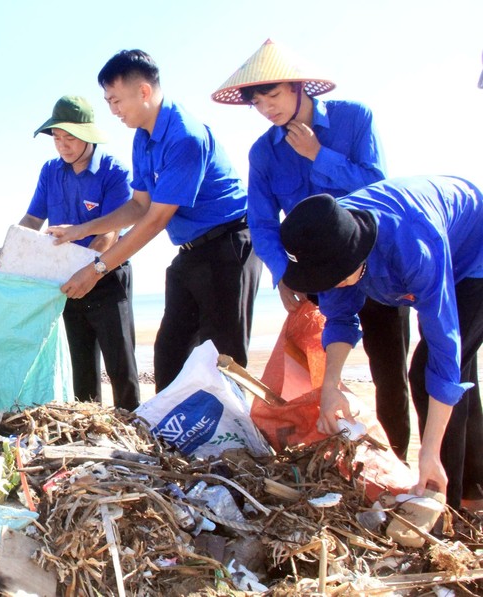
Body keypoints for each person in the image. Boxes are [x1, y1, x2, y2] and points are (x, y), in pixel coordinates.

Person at [212, 39, 412, 459]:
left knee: (389, 373)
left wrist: (319, 155)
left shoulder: (353, 119)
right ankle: (337, 462)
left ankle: (397, 468)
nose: (267, 108)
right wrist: (284, 273)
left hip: (376, 263)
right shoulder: (263, 153)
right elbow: (263, 221)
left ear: (300, 86)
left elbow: (380, 188)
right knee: (319, 377)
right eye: (257, 100)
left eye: (274, 94)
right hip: (318, 276)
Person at [49, 50, 262, 391]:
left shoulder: (184, 136)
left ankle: (229, 441)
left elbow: (155, 219)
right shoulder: (143, 137)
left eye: (116, 100)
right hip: (190, 252)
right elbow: (138, 205)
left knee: (223, 359)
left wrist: (97, 269)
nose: (113, 111)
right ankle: (174, 441)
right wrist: (82, 229)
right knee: (169, 355)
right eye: (108, 102)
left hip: (228, 249)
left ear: (144, 92)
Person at [279, 176, 483, 511]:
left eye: (334, 278)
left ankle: (448, 506)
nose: (328, 285)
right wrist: (331, 387)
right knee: (462, 378)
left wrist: (428, 452)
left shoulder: (414, 248)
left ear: (356, 258)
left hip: (474, 250)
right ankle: (475, 496)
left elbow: (445, 352)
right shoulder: (328, 243)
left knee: (427, 372)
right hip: (424, 238)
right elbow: (341, 320)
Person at [6, 95, 140, 410]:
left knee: (120, 363)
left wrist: (88, 271)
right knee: (81, 364)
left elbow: (109, 233)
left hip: (107, 274)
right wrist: (11, 246)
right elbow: (32, 220)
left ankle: (135, 425)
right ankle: (88, 431)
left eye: (70, 138)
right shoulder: (50, 171)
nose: (62, 146)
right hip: (65, 278)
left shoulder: (114, 172)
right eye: (56, 138)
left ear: (88, 135)